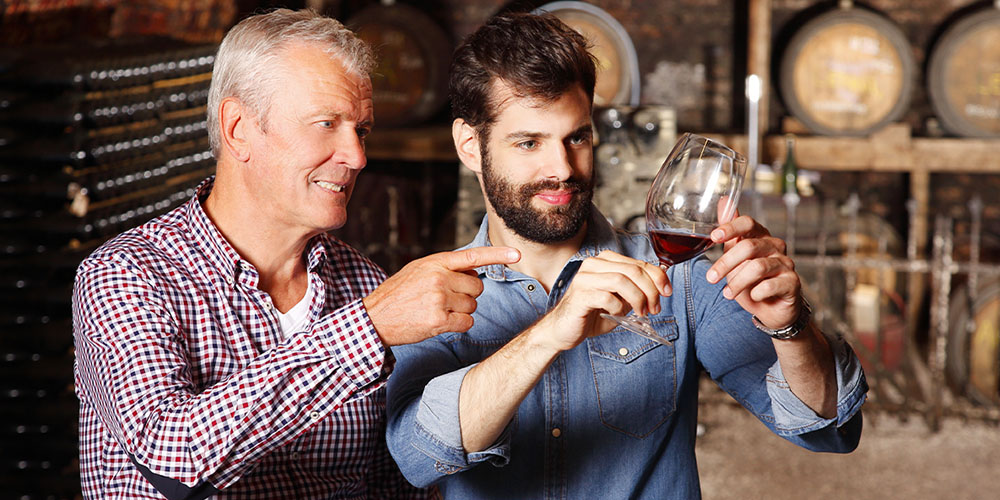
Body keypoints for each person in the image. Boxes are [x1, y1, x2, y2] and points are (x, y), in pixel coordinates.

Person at [385, 12, 868, 499]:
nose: (562, 168)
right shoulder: (432, 294)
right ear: (470, 146)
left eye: (577, 138)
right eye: (528, 142)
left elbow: (827, 428)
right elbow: (416, 456)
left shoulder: (681, 280)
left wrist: (791, 328)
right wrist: (548, 335)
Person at [71, 9, 519, 499]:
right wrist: (368, 329)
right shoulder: (126, 275)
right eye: (326, 123)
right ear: (238, 128)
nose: (357, 156)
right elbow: (172, 458)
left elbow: (396, 484)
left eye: (361, 130)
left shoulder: (363, 282)